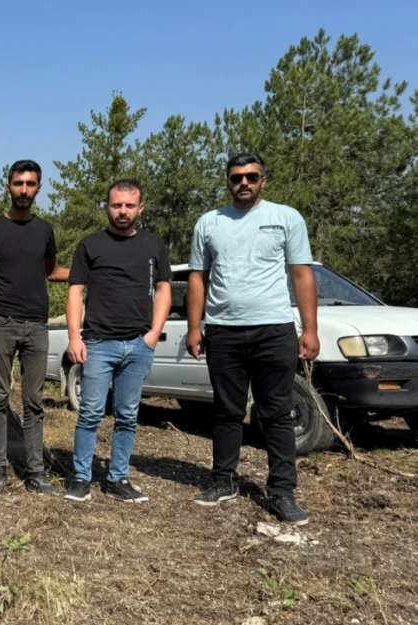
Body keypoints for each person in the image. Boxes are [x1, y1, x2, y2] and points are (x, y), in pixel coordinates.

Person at [186, 153, 319, 525]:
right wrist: (195, 327)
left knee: (275, 413)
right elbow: (198, 278)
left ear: (263, 180)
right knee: (227, 411)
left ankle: (282, 492)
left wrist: (310, 330)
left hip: (273, 330)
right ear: (227, 182)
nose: (243, 183)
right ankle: (223, 481)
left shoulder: (286, 218)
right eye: (236, 178)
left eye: (251, 177)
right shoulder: (209, 223)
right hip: (223, 331)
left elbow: (302, 275)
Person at [64, 179, 171, 503]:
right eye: (116, 205)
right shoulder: (90, 245)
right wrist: (74, 337)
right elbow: (75, 292)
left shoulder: (153, 245)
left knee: (127, 416)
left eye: (129, 206)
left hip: (138, 344)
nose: (122, 212)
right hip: (98, 343)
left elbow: (164, 287)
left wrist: (153, 334)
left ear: (140, 208)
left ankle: (117, 479)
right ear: (106, 207)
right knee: (91, 413)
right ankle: (81, 477)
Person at [0, 159, 69, 496]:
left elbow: (52, 272)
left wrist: (92, 270)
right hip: (2, 324)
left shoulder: (45, 230)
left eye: (30, 184)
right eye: (18, 183)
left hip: (37, 327)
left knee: (34, 402)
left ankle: (35, 472)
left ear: (39, 188)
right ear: (8, 186)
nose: (24, 190)